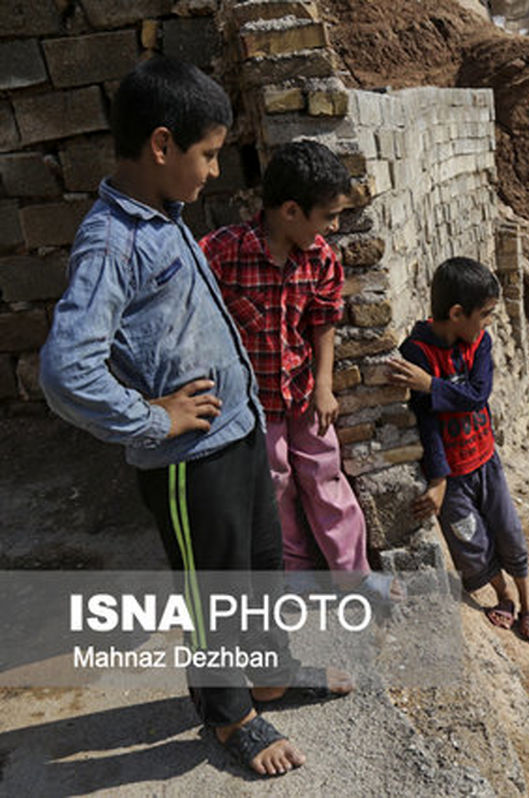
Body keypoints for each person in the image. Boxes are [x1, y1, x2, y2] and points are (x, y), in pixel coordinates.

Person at [39, 56, 352, 778]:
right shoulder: (111, 241)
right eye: (207, 154)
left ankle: (268, 674)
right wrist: (151, 417)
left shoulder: (167, 218)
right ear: (161, 146)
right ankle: (230, 715)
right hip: (187, 459)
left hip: (238, 432)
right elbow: (65, 369)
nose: (215, 171)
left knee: (261, 568)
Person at [200, 140, 402, 603]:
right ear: (291, 210)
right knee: (274, 489)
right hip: (252, 405)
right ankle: (295, 577)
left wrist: (325, 386)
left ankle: (354, 574)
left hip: (304, 393)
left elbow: (324, 320)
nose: (334, 228)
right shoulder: (222, 252)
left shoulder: (321, 259)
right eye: (328, 217)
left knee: (326, 476)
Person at [388, 257, 529, 644]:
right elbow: (424, 420)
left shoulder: (478, 342)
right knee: (471, 543)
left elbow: (478, 396)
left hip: (485, 460)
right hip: (454, 475)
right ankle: (503, 595)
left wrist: (433, 385)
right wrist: (439, 478)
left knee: (508, 531)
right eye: (486, 314)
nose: (489, 322)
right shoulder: (417, 354)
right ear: (457, 313)